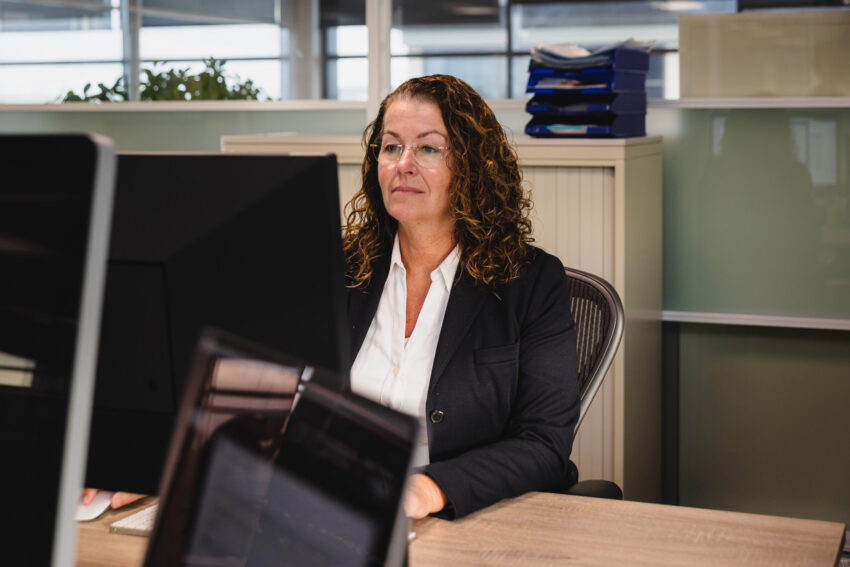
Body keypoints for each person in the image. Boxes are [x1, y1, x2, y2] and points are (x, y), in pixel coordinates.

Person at [344, 74, 579, 520]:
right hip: (336, 503)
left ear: (471, 168)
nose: (403, 164)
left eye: (428, 149)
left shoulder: (530, 282)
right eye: (391, 147)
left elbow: (544, 443)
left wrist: (429, 489)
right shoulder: (342, 269)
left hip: (457, 518)